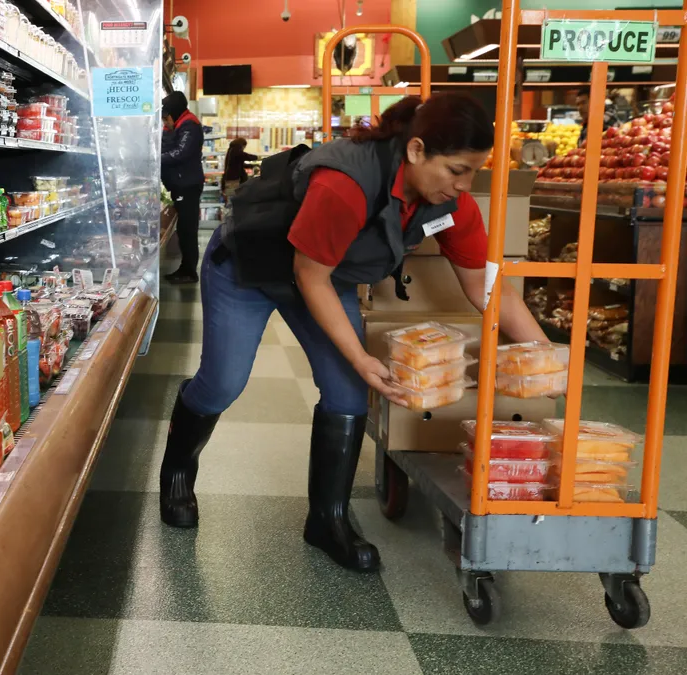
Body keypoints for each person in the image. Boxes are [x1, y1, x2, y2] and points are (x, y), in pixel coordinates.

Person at [157, 93, 551, 572]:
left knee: (346, 394)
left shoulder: (451, 205)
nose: (465, 185)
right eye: (456, 170)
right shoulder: (346, 183)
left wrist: (545, 356)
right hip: (249, 267)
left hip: (321, 274)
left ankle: (328, 520)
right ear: (416, 150)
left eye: (473, 172)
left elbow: (487, 289)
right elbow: (310, 276)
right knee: (224, 382)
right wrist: (362, 358)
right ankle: (178, 469)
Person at [161, 91, 205, 284]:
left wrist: (153, 158)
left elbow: (180, 153)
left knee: (187, 229)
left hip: (187, 185)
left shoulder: (189, 125)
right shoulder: (179, 125)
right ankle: (186, 268)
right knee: (185, 228)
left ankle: (189, 271)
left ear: (174, 112)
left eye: (166, 118)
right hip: (181, 184)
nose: (165, 123)